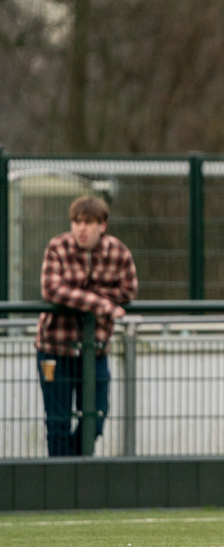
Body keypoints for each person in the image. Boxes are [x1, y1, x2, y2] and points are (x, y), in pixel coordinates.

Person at [34, 195, 138, 457]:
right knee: (57, 422)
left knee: (96, 417)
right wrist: (100, 304)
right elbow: (52, 290)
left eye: (89, 223)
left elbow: (129, 290)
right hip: (55, 349)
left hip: (95, 350)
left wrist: (80, 295)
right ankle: (61, 483)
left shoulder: (118, 251)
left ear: (102, 225)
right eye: (77, 222)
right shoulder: (57, 247)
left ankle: (76, 471)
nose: (81, 228)